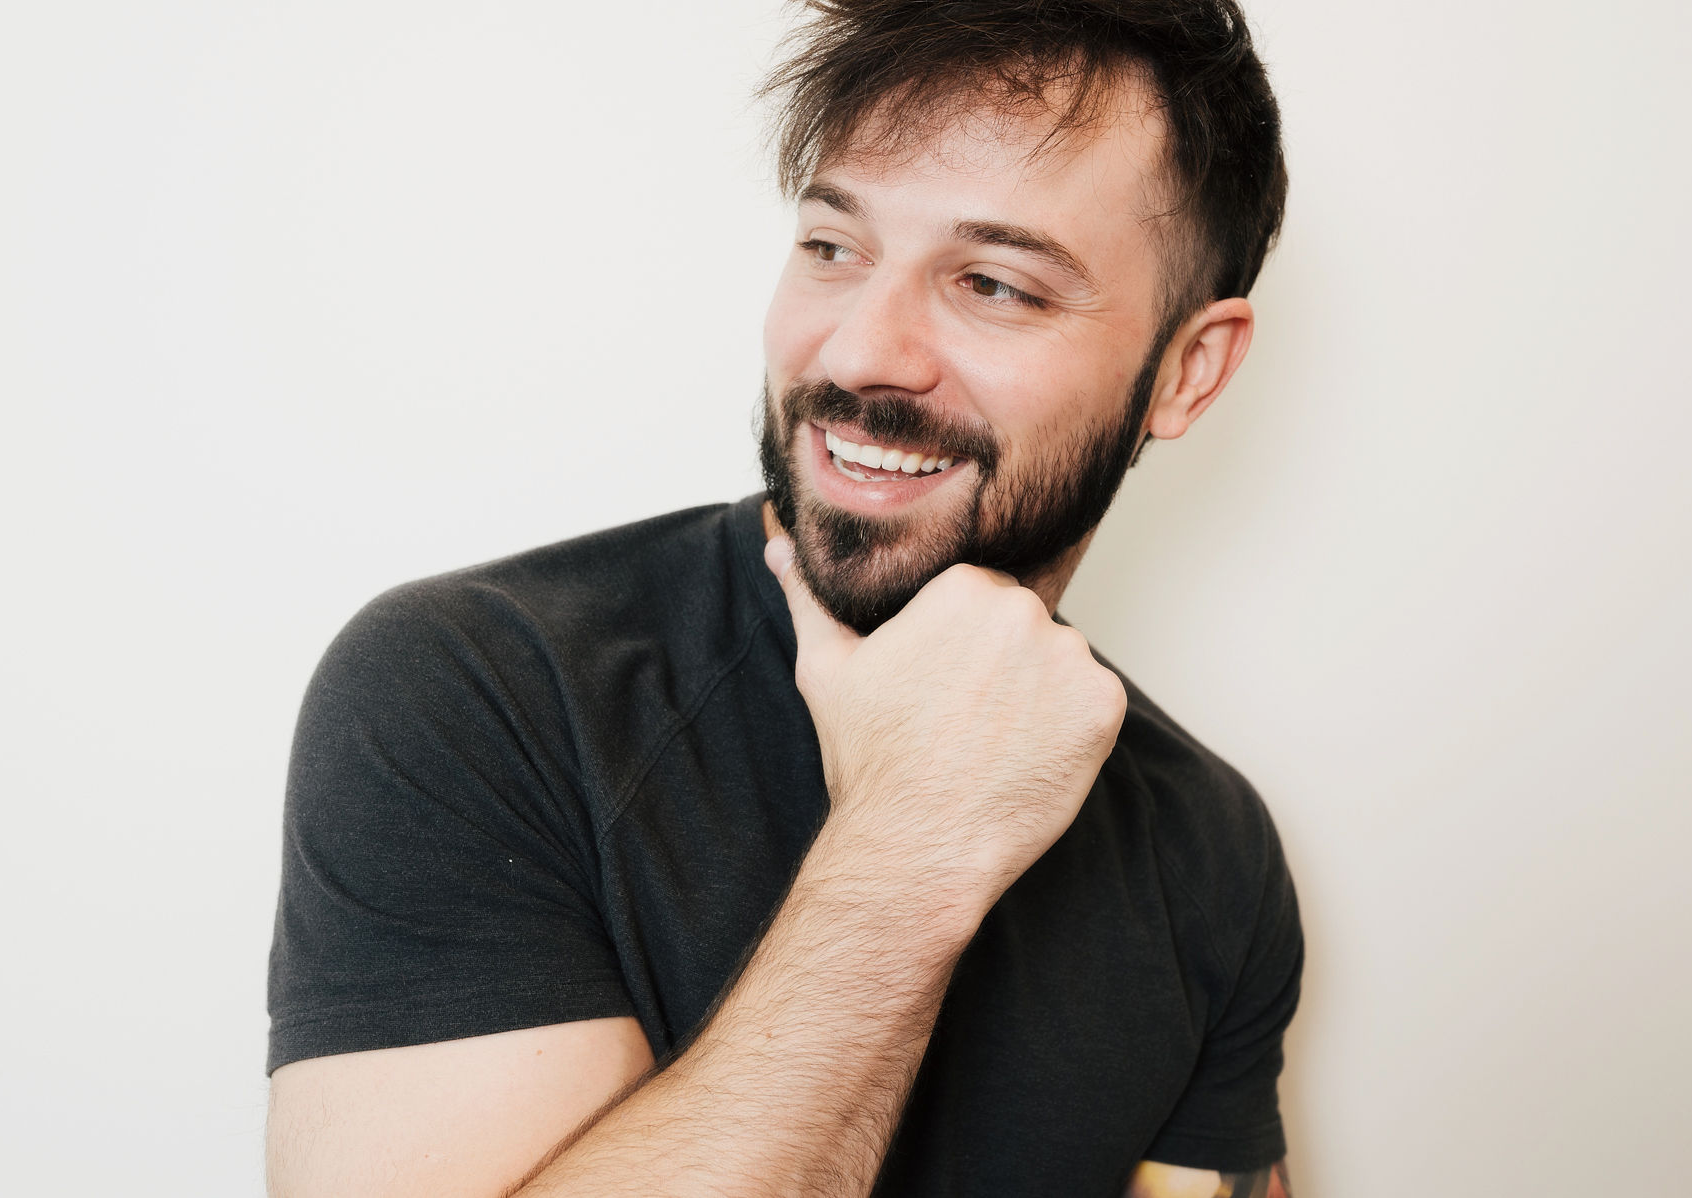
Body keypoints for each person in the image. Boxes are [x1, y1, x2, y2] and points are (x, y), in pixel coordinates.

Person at [264, 1, 1301, 1195]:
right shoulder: (477, 691)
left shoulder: (1211, 845)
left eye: (995, 283)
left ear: (1189, 368)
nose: (859, 350)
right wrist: (908, 854)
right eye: (832, 247)